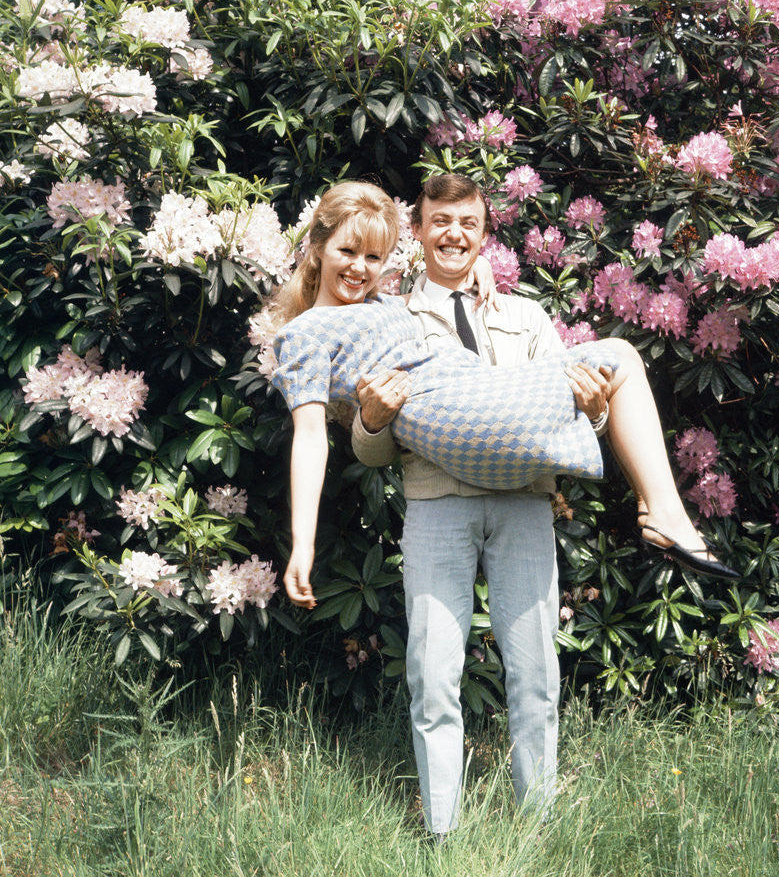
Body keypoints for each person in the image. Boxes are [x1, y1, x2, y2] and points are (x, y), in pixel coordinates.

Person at [270, 176, 738, 839]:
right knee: (433, 676)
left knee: (537, 673)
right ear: (317, 248)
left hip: (520, 494)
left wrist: (592, 405)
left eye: (373, 257)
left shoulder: (488, 310)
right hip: (441, 492)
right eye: (348, 252)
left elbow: (571, 412)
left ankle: (537, 830)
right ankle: (442, 835)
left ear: (485, 236)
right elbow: (320, 440)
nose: (360, 267)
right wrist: (309, 532)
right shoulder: (355, 322)